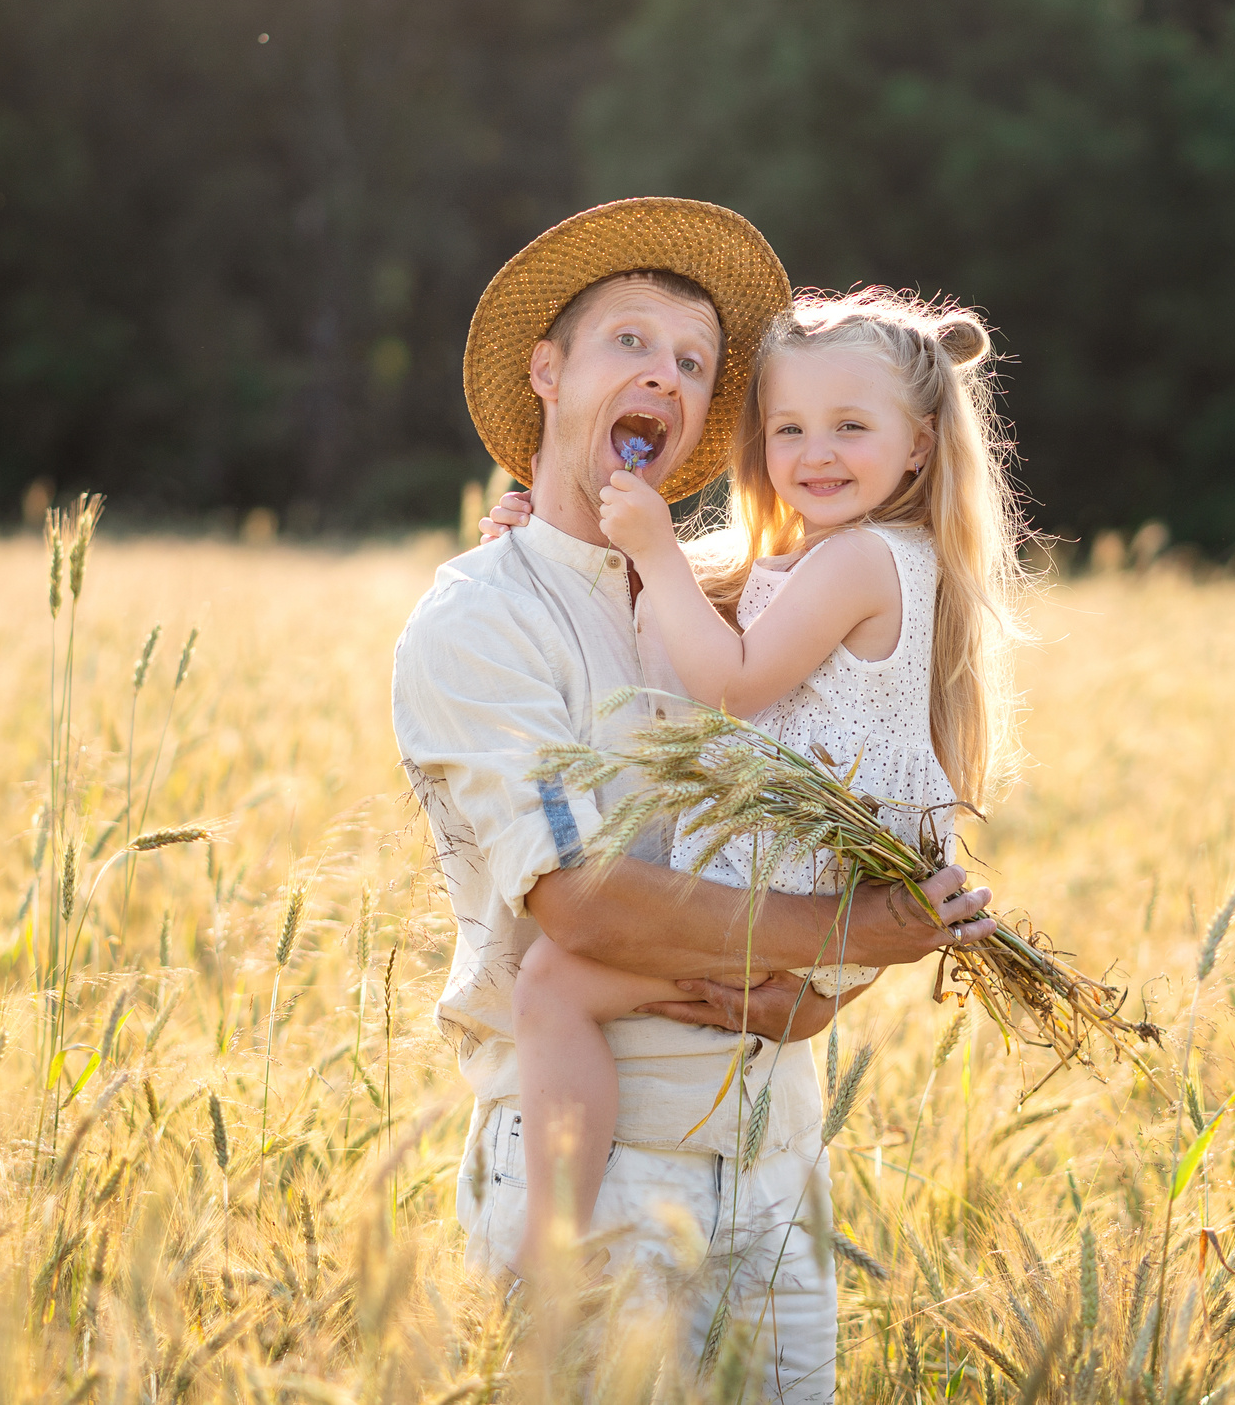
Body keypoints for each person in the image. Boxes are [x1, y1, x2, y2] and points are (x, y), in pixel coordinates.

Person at [390, 199, 996, 1403]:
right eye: (630, 345)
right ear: (548, 374)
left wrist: (816, 990)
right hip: (608, 1181)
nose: (663, 377)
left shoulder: (717, 594)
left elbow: (821, 778)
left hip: (775, 1172)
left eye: (693, 363)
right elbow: (585, 904)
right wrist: (850, 938)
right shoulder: (488, 616)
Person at [490, 288, 1025, 1305]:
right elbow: (660, 598)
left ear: (917, 448)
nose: (814, 452)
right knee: (576, 970)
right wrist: (538, 544)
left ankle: (551, 1241)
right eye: (788, 429)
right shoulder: (835, 558)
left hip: (795, 880)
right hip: (795, 875)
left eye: (850, 428)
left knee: (555, 983)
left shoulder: (865, 559)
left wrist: (651, 547)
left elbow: (729, 679)